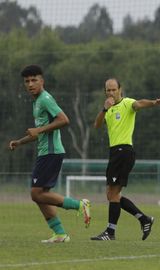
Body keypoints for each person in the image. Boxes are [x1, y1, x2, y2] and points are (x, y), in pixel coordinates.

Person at [9, 65, 91, 243]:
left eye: (34, 80)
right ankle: (60, 234)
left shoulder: (45, 99)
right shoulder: (36, 102)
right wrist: (20, 142)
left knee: (36, 194)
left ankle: (79, 205)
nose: (30, 84)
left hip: (51, 152)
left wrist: (39, 129)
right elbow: (38, 133)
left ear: (42, 81)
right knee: (40, 195)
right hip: (46, 152)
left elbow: (64, 119)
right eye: (27, 81)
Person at [90, 78, 160, 241]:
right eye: (108, 90)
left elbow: (139, 104)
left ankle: (110, 232)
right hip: (115, 153)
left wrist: (153, 103)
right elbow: (96, 125)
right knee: (112, 194)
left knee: (113, 194)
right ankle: (144, 219)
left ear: (120, 90)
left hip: (123, 151)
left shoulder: (127, 103)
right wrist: (104, 109)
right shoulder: (108, 110)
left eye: (113, 89)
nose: (111, 93)